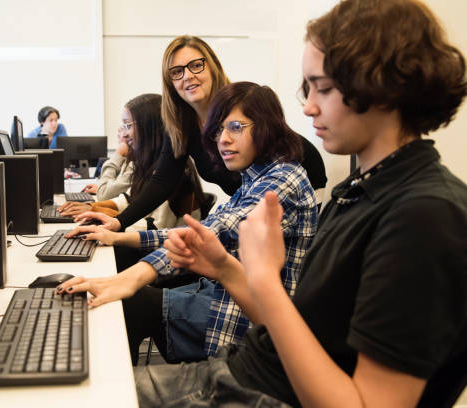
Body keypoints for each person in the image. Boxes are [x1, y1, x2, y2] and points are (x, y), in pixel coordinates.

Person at [131, 0, 467, 407]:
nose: (308, 107)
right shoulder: (359, 191)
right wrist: (227, 268)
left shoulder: (424, 216)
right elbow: (294, 330)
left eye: (322, 88)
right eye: (307, 90)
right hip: (246, 370)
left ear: (385, 88)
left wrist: (267, 282)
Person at [58, 82, 318, 365]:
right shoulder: (254, 177)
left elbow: (212, 233)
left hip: (247, 318)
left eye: (235, 127)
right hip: (219, 292)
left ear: (267, 126)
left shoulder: (280, 182)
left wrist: (128, 279)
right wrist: (119, 237)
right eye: (218, 130)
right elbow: (200, 229)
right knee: (125, 296)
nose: (223, 140)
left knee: (128, 304)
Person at [78, 35, 326, 233]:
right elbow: (162, 182)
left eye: (196, 65)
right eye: (177, 71)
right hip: (244, 208)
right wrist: (120, 222)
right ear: (171, 82)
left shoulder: (239, 106)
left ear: (213, 67)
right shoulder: (180, 125)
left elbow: (263, 182)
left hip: (301, 179)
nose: (188, 76)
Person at [59, 93, 201, 231]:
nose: (125, 134)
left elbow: (156, 226)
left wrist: (101, 214)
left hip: (167, 249)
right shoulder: (147, 162)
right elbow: (129, 200)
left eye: (128, 125)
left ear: (149, 127)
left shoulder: (172, 171)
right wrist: (93, 207)